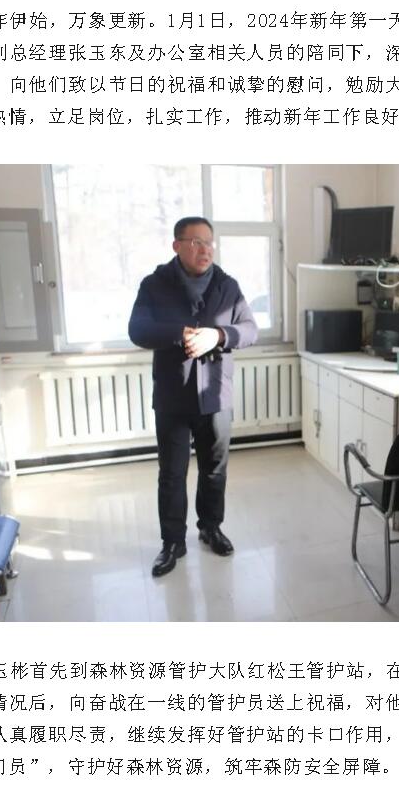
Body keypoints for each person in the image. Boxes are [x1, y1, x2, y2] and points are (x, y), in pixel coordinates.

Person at [129, 217, 257, 577]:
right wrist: (179, 333)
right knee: (172, 473)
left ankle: (210, 527)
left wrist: (219, 335)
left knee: (214, 470)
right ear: (177, 246)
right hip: (173, 395)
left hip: (216, 395)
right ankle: (172, 542)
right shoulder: (155, 284)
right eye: (196, 242)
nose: (205, 250)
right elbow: (137, 329)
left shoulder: (227, 285)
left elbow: (250, 329)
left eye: (209, 243)